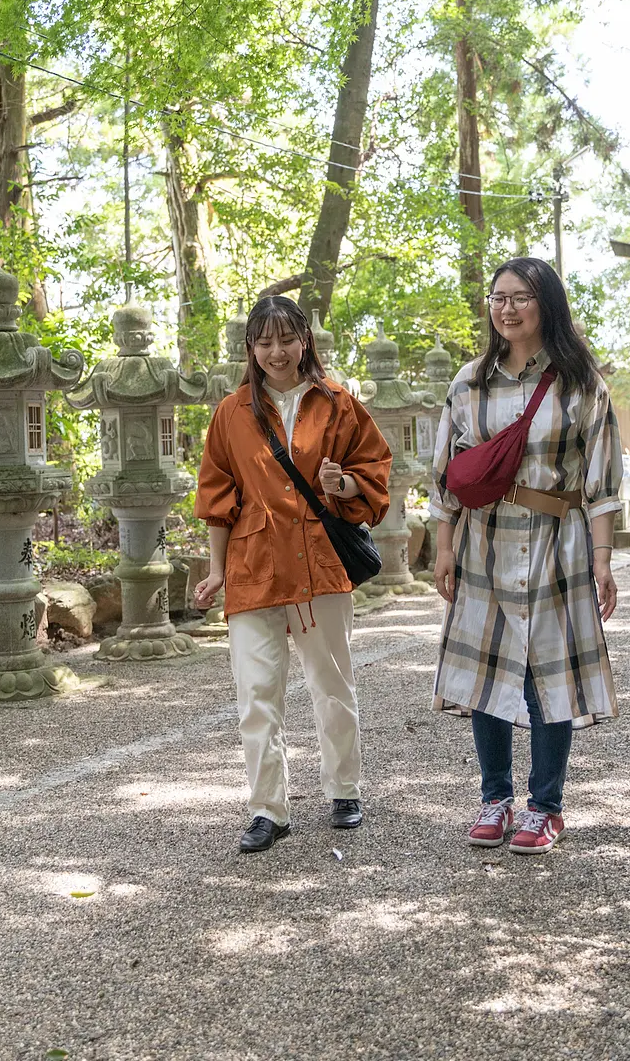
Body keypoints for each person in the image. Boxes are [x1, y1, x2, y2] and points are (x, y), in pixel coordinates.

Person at [429, 257, 623, 855]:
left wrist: (602, 557)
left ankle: (545, 807)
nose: (506, 309)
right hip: (486, 538)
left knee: (547, 672)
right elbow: (445, 471)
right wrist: (443, 547)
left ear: (547, 306)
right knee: (488, 671)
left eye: (521, 298)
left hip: (556, 540)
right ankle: (495, 799)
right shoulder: (470, 381)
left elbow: (603, 478)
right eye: (498, 298)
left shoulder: (580, 382)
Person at [194, 296, 393, 853]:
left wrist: (343, 485)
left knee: (331, 683)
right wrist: (215, 572)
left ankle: (345, 789)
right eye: (264, 342)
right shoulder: (231, 412)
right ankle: (266, 808)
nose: (276, 352)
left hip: (319, 562)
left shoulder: (339, 405)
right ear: (251, 349)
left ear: (305, 340)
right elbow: (217, 498)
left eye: (286, 339)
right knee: (256, 692)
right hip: (253, 566)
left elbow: (374, 472)